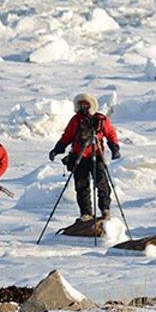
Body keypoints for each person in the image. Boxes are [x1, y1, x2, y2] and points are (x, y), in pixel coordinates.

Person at [48, 92, 120, 221]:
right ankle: (86, 213)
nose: (84, 107)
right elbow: (67, 136)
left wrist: (114, 148)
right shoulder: (75, 120)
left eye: (86, 105)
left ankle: (105, 209)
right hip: (79, 156)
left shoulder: (101, 120)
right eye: (81, 105)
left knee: (102, 183)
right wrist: (57, 149)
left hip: (96, 155)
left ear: (92, 105)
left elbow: (110, 134)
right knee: (81, 186)